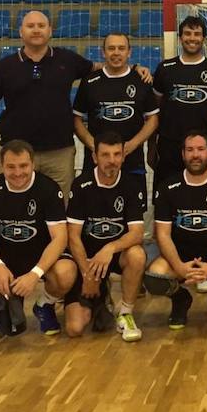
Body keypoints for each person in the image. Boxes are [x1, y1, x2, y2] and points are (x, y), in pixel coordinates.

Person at [0, 11, 151, 197]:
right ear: (21, 32)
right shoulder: (5, 66)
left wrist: (134, 68)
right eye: (30, 26)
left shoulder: (67, 59)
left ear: (50, 31)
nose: (36, 30)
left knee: (60, 210)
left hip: (59, 153)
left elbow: (101, 67)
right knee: (11, 207)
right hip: (15, 153)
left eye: (41, 26)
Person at [0, 140, 76, 337]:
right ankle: (1, 308)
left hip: (39, 255)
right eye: (10, 167)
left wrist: (35, 273)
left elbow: (59, 238)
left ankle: (44, 305)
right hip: (4, 256)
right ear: (1, 166)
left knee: (66, 273)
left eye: (23, 166)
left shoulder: (48, 189)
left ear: (33, 164)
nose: (18, 172)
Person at [145, 131, 207, 329]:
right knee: (155, 279)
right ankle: (180, 299)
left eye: (200, 149)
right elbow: (162, 235)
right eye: (190, 150)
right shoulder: (167, 187)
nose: (195, 155)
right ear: (183, 154)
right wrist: (180, 267)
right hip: (179, 256)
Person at [63, 132, 148, 341]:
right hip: (86, 261)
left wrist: (109, 248)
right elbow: (72, 237)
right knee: (75, 329)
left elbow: (136, 234)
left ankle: (126, 314)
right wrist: (88, 275)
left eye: (117, 154)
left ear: (123, 156)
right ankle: (98, 296)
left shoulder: (131, 185)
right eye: (106, 155)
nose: (112, 160)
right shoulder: (81, 185)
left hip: (114, 257)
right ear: (95, 157)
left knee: (137, 255)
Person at [73, 32, 159, 211]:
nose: (116, 53)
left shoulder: (142, 80)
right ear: (103, 52)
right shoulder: (89, 82)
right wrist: (94, 146)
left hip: (132, 161)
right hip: (97, 162)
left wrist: (133, 144)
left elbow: (153, 119)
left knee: (132, 217)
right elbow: (77, 119)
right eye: (111, 48)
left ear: (129, 52)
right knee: (95, 214)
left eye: (121, 48)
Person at [151, 16, 207, 193]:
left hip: (201, 149)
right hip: (169, 146)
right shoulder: (165, 69)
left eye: (197, 34)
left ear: (203, 38)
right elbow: (154, 112)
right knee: (165, 201)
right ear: (180, 37)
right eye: (187, 33)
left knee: (200, 199)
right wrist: (151, 147)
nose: (192, 38)